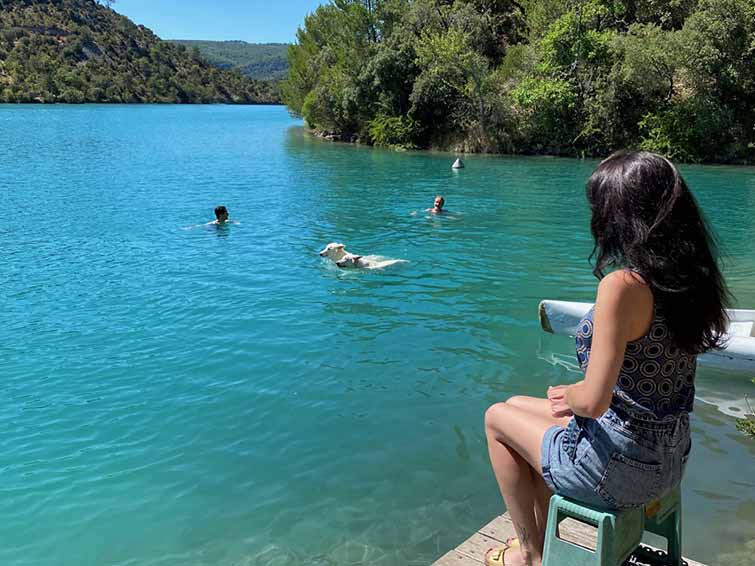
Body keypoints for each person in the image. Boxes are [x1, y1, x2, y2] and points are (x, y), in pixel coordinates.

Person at [482, 151, 730, 566]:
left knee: (495, 418)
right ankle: (542, 544)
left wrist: (573, 393)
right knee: (517, 407)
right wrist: (574, 399)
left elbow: (593, 402)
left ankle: (529, 554)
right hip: (669, 456)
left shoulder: (624, 286)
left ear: (621, 215)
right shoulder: (691, 277)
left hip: (622, 467)